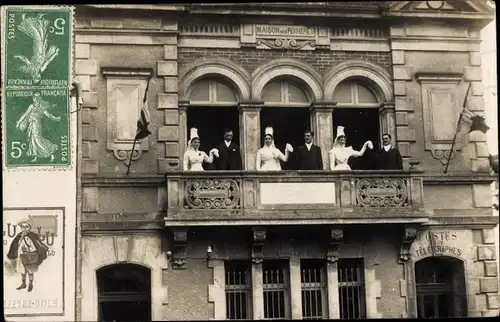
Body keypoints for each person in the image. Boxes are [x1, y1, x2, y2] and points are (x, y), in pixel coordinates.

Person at [6, 217, 49, 292]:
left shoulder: (33, 236)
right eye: (23, 227)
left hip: (29, 257)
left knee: (30, 271)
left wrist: (28, 250)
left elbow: (35, 247)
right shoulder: (19, 235)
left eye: (26, 227)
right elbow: (16, 245)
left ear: (30, 227)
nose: (24, 228)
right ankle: (23, 284)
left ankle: (30, 284)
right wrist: (21, 238)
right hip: (21, 257)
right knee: (22, 271)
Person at [16, 92, 61, 162]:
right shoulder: (31, 106)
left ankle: (50, 154)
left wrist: (55, 118)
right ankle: (36, 157)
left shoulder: (41, 107)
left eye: (35, 97)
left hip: (37, 125)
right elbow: (25, 114)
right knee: (33, 140)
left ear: (38, 98)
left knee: (38, 140)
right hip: (31, 125)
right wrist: (19, 122)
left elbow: (48, 115)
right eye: (33, 97)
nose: (33, 98)